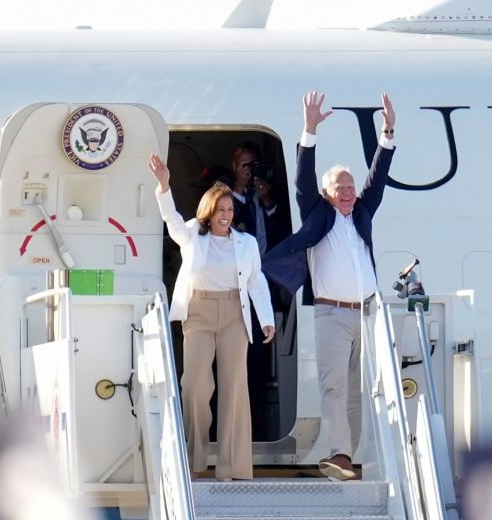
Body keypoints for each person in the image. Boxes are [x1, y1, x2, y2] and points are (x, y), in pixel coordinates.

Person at [263, 91, 396, 482]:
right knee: (334, 386)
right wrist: (309, 131)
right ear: (326, 193)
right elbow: (303, 179)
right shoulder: (318, 214)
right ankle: (339, 452)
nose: (349, 191)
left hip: (367, 313)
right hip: (332, 313)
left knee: (358, 391)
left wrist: (387, 133)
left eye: (351, 186)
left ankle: (350, 458)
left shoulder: (362, 214)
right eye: (341, 187)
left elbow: (379, 178)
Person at [148, 153, 276, 481]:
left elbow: (256, 282)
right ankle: (195, 457)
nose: (226, 215)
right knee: (194, 384)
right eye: (221, 210)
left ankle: (230, 467)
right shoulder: (193, 233)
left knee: (234, 387)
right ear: (209, 211)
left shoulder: (246, 243)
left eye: (230, 210)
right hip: (200, 312)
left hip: (235, 312)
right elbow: (172, 221)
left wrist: (266, 319)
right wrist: (164, 186)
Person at [229, 141, 280, 254]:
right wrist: (240, 186)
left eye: (253, 164)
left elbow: (280, 229)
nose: (250, 170)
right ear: (235, 166)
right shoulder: (227, 198)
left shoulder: (266, 191)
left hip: (268, 261)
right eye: (245, 165)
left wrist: (267, 201)